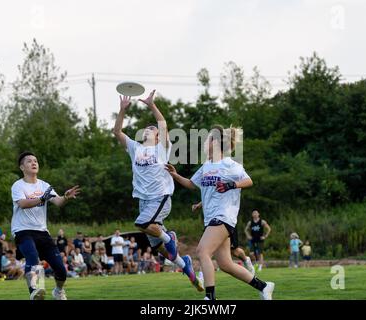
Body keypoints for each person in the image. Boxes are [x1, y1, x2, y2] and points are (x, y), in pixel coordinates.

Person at [166, 125, 275, 300]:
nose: (203, 143)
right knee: (225, 264)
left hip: (224, 217)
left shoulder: (229, 164)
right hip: (211, 218)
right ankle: (264, 287)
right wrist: (175, 175)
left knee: (202, 251)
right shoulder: (207, 165)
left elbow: (248, 181)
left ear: (215, 143)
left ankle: (210, 298)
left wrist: (232, 185)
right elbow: (192, 184)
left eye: (207, 139)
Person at [113, 91, 202, 291]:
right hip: (144, 201)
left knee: (142, 223)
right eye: (145, 128)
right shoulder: (135, 148)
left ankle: (169, 236)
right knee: (159, 248)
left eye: (151, 129)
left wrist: (152, 105)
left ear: (158, 136)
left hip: (159, 197)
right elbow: (117, 132)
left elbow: (162, 124)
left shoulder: (162, 148)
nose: (147, 130)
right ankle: (185, 265)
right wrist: (121, 111)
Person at [11, 151, 80, 300]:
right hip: (23, 230)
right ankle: (36, 290)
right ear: (22, 167)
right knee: (32, 257)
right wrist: (41, 199)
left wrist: (66, 197)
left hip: (42, 232)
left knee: (61, 270)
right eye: (29, 161)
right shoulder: (18, 185)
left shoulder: (44, 185)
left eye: (35, 161)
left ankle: (58, 291)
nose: (34, 163)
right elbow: (23, 204)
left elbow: (58, 202)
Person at [192, 201, 255, 275]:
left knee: (235, 251)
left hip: (227, 221)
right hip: (212, 223)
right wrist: (198, 205)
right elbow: (209, 195)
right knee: (206, 251)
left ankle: (246, 259)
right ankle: (201, 277)